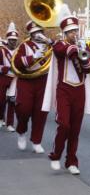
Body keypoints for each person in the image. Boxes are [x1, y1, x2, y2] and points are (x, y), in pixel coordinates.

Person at [47, 15, 90, 175]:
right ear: (65, 33)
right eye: (70, 32)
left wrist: (84, 50)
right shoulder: (60, 45)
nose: (74, 34)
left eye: (75, 30)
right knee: (64, 124)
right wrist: (76, 48)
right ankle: (55, 155)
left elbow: (88, 68)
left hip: (79, 91)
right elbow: (61, 50)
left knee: (75, 129)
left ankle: (71, 161)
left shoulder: (84, 47)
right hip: (64, 91)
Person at [13, 21, 52, 153]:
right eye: (35, 32)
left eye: (40, 31)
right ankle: (22, 131)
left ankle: (36, 141)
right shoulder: (25, 45)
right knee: (23, 109)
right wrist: (33, 57)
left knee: (41, 112)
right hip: (26, 81)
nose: (39, 35)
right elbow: (17, 63)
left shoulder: (49, 46)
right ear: (31, 34)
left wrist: (51, 43)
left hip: (43, 81)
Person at [0, 22, 18, 131]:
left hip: (15, 79)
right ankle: (1, 118)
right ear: (8, 40)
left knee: (12, 101)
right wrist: (7, 69)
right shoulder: (2, 50)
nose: (13, 42)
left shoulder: (18, 51)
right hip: (3, 78)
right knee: (1, 100)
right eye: (11, 40)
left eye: (15, 40)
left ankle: (10, 124)